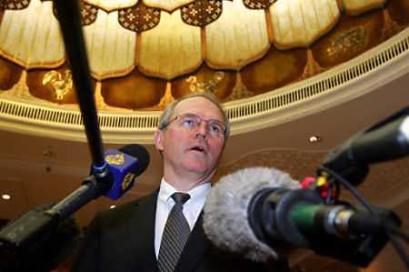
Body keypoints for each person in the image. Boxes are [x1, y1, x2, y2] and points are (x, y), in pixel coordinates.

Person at [72, 93, 289, 272]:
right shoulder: (108, 226)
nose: (202, 132)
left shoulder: (250, 229)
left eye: (214, 128)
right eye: (189, 121)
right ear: (160, 139)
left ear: (222, 148)